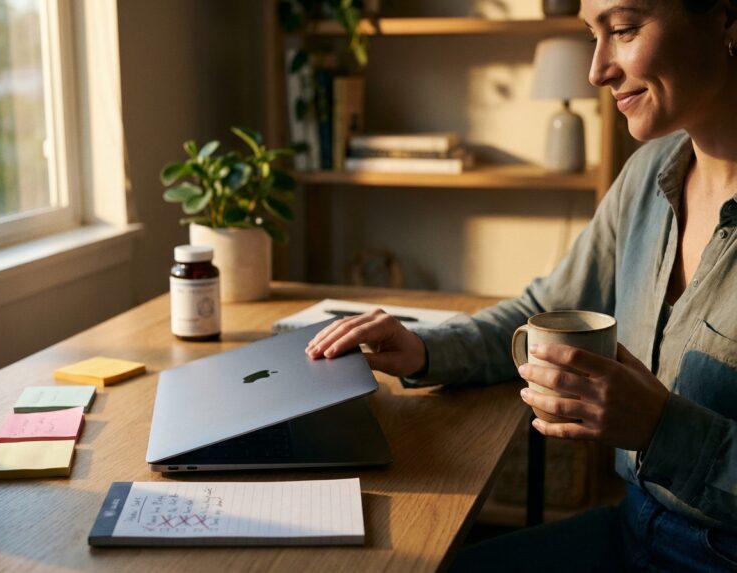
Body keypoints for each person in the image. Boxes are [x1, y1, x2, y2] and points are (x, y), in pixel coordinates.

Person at [305, 0, 737, 570]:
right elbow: (545, 311)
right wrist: (426, 348)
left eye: (625, 30)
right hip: (632, 528)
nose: (597, 69)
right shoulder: (647, 174)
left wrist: (664, 429)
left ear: (726, 17)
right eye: (592, 36)